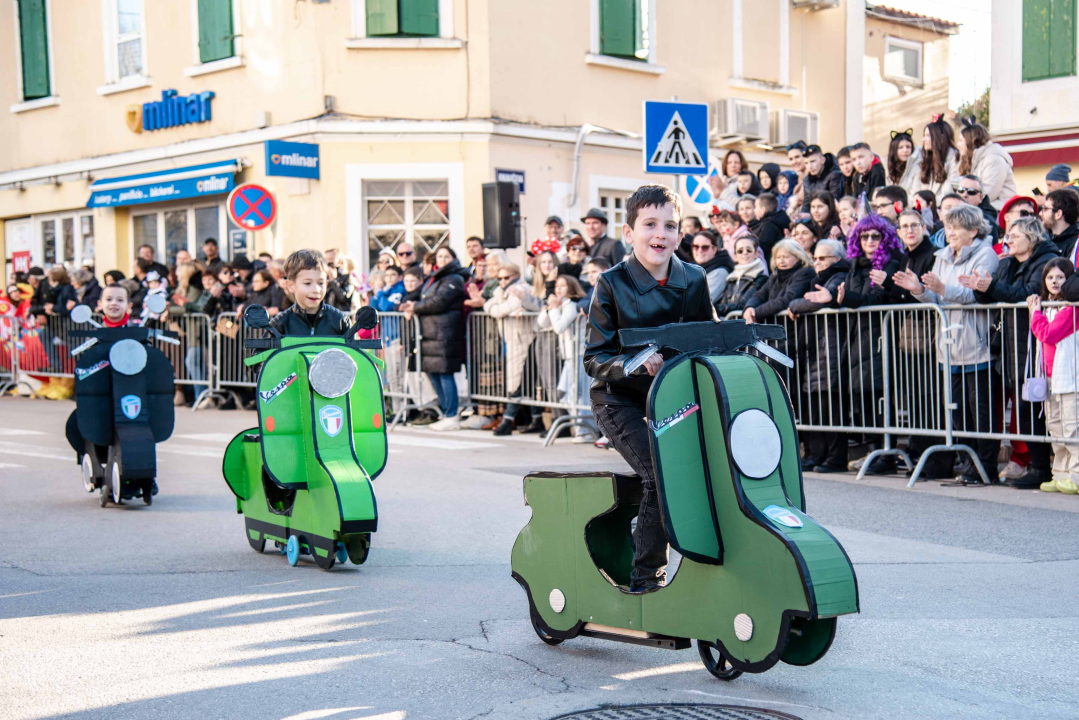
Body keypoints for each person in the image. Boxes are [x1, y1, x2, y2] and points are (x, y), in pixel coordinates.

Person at [584, 184, 714, 592]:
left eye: (670, 226)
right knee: (661, 474)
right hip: (619, 398)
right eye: (650, 224)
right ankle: (647, 580)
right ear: (629, 232)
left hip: (673, 397)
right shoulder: (610, 282)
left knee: (708, 467)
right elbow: (594, 358)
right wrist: (633, 363)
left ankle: (709, 567)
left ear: (680, 233)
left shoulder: (694, 277)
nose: (660, 234)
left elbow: (708, 337)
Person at [892, 204, 1001, 484]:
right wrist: (919, 291)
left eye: (956, 228)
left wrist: (943, 289)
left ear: (973, 231)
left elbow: (976, 296)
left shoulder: (986, 255)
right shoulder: (941, 257)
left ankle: (984, 467)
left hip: (977, 344)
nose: (950, 232)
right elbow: (938, 301)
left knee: (982, 413)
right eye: (948, 227)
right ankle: (968, 464)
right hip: (948, 345)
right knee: (958, 412)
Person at [964, 216, 1059, 487]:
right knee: (1024, 410)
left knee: (1032, 410)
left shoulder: (1044, 261)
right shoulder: (1006, 262)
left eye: (1014, 236)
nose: (1008, 240)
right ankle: (1038, 468)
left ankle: (1042, 468)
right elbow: (994, 293)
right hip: (1009, 344)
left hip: (1031, 343)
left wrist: (991, 287)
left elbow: (1027, 294)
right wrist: (980, 287)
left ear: (1031, 237)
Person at [787, 238, 851, 473]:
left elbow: (818, 301)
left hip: (831, 348)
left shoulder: (840, 275)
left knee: (830, 404)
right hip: (816, 347)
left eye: (823, 258)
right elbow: (803, 301)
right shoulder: (818, 279)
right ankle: (816, 454)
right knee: (815, 403)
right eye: (815, 258)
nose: (818, 262)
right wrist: (798, 303)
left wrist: (797, 305)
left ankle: (835, 457)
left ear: (837, 259)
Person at [400, 246, 467, 431]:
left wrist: (416, 308)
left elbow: (440, 301)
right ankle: (446, 412)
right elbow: (425, 298)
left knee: (445, 373)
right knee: (433, 372)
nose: (443, 259)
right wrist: (413, 305)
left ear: (453, 258)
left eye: (446, 256)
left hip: (445, 332)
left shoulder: (455, 278)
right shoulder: (435, 278)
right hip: (430, 333)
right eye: (440, 256)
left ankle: (452, 414)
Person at [1028, 258, 1079, 494]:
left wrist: (1034, 314)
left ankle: (1076, 476)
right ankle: (1060, 474)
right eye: (1050, 277)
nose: (1055, 281)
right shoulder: (1050, 307)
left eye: (1060, 277)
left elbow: (1048, 334)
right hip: (1050, 379)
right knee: (1055, 428)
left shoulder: (1072, 309)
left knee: (1072, 428)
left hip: (1070, 379)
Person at [485, 262, 537, 436]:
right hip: (510, 340)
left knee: (519, 380)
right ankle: (534, 419)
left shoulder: (521, 288)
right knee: (519, 380)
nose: (502, 281)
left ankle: (509, 419)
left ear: (515, 276)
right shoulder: (501, 291)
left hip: (523, 339)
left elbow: (506, 308)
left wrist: (498, 308)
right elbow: (489, 305)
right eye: (499, 278)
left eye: (506, 277)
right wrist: (497, 308)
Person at [537, 274, 591, 441]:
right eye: (557, 286)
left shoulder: (571, 306)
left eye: (562, 286)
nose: (558, 289)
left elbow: (560, 327)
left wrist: (553, 309)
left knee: (578, 393)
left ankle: (585, 430)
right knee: (566, 393)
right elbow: (542, 323)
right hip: (569, 356)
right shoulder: (561, 305)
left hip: (577, 354)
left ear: (571, 288)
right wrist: (549, 309)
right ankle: (580, 427)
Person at [269, 250, 351, 336]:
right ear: (291, 286)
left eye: (320, 283)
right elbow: (262, 349)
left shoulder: (340, 321)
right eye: (307, 283)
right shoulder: (279, 325)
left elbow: (352, 349)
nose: (316, 290)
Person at [743, 239, 814, 325]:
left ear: (798, 257)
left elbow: (787, 299)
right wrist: (749, 307)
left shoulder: (805, 273)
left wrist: (756, 313)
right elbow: (760, 294)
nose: (781, 261)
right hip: (775, 328)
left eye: (786, 257)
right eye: (778, 257)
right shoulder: (775, 276)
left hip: (794, 328)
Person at [958, 118, 1017, 209]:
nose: (958, 145)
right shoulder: (978, 159)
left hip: (997, 212)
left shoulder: (993, 159)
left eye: (961, 141)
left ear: (971, 142)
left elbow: (989, 194)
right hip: (983, 209)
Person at [715, 236, 768, 317]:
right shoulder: (731, 278)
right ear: (735, 256)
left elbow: (743, 305)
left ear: (756, 253)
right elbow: (724, 303)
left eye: (749, 250)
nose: (745, 253)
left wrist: (714, 308)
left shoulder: (761, 278)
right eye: (740, 251)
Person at [908, 116, 960, 199]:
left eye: (928, 135)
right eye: (924, 135)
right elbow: (916, 190)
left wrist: (928, 204)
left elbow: (949, 192)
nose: (923, 139)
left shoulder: (954, 157)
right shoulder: (925, 158)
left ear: (940, 137)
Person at [690, 229, 733, 304]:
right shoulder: (691, 268)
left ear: (714, 249)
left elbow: (700, 302)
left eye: (705, 247)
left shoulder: (720, 272)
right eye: (696, 246)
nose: (700, 250)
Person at [955, 175, 1002, 241]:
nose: (964, 194)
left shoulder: (988, 222)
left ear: (980, 197)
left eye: (971, 191)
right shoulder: (949, 212)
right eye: (961, 190)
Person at [800, 145, 845, 212]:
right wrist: (803, 215)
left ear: (823, 160)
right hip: (814, 215)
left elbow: (833, 201)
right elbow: (806, 202)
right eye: (806, 163)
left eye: (813, 161)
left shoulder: (835, 175)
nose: (810, 166)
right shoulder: (807, 180)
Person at [1040, 188, 1079, 265]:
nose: (1040, 213)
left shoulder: (1076, 244)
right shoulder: (1043, 240)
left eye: (1045, 209)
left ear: (1058, 214)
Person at [754, 192, 790, 261]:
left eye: (756, 207)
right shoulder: (781, 219)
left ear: (763, 209)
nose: (754, 210)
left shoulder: (769, 225)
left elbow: (762, 248)